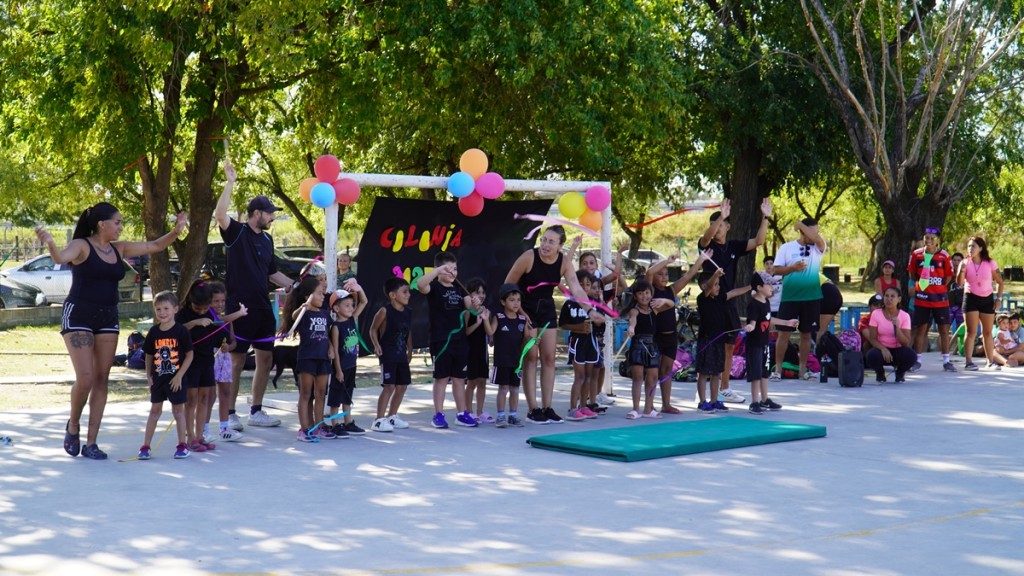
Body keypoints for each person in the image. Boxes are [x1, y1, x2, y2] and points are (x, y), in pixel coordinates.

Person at [37, 201, 187, 460]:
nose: (120, 227)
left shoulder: (119, 248)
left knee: (102, 378)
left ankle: (91, 443)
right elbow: (61, 257)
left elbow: (154, 246)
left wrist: (176, 231)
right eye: (117, 222)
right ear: (101, 224)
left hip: (107, 316)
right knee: (85, 378)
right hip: (79, 315)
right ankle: (73, 425)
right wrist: (50, 242)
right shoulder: (82, 245)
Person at [214, 158, 295, 429]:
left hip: (263, 307)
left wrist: (293, 285)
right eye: (270, 212)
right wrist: (229, 182)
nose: (273, 217)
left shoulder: (268, 239)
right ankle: (231, 413)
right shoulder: (236, 232)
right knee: (237, 361)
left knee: (266, 358)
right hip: (240, 307)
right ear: (256, 213)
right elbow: (219, 215)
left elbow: (272, 272)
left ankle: (256, 411)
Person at [505, 225, 594, 424]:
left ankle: (547, 407)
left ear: (560, 246)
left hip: (546, 308)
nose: (545, 245)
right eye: (544, 240)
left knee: (549, 359)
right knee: (531, 357)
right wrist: (520, 311)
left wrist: (590, 310)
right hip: (525, 307)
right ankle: (533, 409)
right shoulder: (529, 256)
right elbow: (508, 285)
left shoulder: (563, 262)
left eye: (551, 242)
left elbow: (576, 288)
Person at [698, 197, 772, 403]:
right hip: (711, 302)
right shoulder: (707, 246)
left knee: (729, 345)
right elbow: (705, 239)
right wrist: (721, 215)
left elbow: (758, 241)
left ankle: (724, 387)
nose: (718, 229)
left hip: (729, 301)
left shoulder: (733, 247)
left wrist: (765, 217)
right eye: (715, 225)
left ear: (728, 227)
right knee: (712, 345)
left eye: (722, 225)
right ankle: (705, 389)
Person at [176, 280, 247, 453]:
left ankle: (200, 436)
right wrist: (196, 322)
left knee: (205, 399)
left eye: (205, 307)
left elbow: (220, 329)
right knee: (191, 400)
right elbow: (177, 330)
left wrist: (225, 345)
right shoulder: (183, 314)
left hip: (207, 361)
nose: (202, 311)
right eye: (198, 308)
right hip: (190, 363)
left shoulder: (209, 312)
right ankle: (190, 437)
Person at [644, 250, 710, 414]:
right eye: (661, 274)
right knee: (652, 372)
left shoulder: (670, 291)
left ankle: (666, 404)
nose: (664, 277)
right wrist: (667, 261)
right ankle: (649, 404)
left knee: (667, 371)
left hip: (670, 337)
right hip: (655, 337)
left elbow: (687, 277)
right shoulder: (650, 290)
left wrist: (700, 260)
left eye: (666, 274)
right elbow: (650, 272)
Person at [416, 252, 476, 428]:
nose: (452, 273)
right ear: (438, 270)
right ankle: (438, 414)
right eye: (447, 269)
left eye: (455, 269)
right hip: (441, 340)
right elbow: (420, 284)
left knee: (459, 378)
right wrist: (438, 271)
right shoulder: (433, 287)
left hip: (460, 341)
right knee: (441, 378)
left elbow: (471, 308)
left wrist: (477, 304)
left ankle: (461, 413)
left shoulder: (459, 289)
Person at [137, 291, 194, 460]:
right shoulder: (154, 332)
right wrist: (149, 376)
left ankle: (182, 445)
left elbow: (190, 355)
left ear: (175, 309)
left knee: (178, 411)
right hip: (159, 380)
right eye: (158, 309)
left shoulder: (181, 331)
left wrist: (179, 376)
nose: (162, 312)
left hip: (176, 380)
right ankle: (145, 446)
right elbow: (148, 355)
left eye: (166, 308)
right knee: (155, 411)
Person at [771, 218, 827, 382]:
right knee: (783, 334)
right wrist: (793, 268)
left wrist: (801, 225)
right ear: (803, 233)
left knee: (806, 334)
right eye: (812, 231)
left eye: (817, 231)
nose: (816, 235)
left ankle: (803, 370)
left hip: (812, 297)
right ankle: (778, 369)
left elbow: (818, 239)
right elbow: (776, 270)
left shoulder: (818, 247)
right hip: (790, 298)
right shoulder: (787, 248)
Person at [282, 276, 336, 441]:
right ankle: (304, 429)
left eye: (322, 294)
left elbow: (326, 335)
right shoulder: (303, 314)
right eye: (319, 294)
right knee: (306, 393)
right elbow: (293, 316)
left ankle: (318, 426)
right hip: (307, 358)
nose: (322, 297)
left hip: (323, 359)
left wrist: (332, 348)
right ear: (308, 297)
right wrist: (303, 308)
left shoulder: (325, 314)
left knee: (321, 394)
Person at [694, 270, 749, 414]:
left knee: (717, 373)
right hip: (706, 341)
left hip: (719, 341)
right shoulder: (702, 298)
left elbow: (733, 293)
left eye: (718, 284)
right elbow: (708, 287)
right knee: (704, 373)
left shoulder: (719, 298)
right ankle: (702, 402)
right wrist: (716, 275)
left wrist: (751, 287)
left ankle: (714, 401)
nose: (717, 287)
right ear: (704, 286)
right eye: (715, 285)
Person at [744, 272, 798, 414]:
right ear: (759, 287)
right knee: (755, 373)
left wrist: (786, 322)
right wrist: (750, 327)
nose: (772, 287)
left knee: (764, 372)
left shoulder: (766, 302)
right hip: (754, 345)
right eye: (768, 284)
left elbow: (769, 320)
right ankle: (754, 402)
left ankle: (765, 399)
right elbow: (753, 322)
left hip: (764, 344)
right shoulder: (754, 304)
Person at [623, 279, 675, 420]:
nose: (644, 296)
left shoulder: (654, 309)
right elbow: (632, 320)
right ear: (635, 296)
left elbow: (671, 305)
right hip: (638, 345)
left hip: (652, 346)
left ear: (651, 294)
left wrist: (663, 299)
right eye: (640, 293)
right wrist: (631, 328)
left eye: (647, 293)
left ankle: (648, 408)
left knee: (652, 377)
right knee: (638, 378)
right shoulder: (635, 310)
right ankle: (635, 409)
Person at [907, 227, 955, 372]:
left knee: (944, 330)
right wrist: (923, 286)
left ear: (938, 241)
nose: (928, 241)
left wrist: (937, 287)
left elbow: (948, 276)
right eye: (926, 238)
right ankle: (917, 360)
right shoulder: (916, 255)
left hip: (940, 299)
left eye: (932, 238)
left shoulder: (944, 255)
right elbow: (912, 274)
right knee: (921, 329)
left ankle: (946, 360)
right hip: (922, 299)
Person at [369, 277, 413, 432]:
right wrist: (376, 345)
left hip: (401, 354)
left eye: (408, 292)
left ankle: (392, 416)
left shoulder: (408, 312)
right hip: (388, 353)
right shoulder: (384, 311)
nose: (408, 295)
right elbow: (373, 329)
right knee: (389, 386)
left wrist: (410, 348)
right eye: (405, 292)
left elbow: (408, 331)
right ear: (393, 295)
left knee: (402, 386)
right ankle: (379, 420)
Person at [560, 271, 604, 421]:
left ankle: (584, 406)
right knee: (579, 376)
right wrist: (578, 327)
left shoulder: (594, 303)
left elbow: (600, 322)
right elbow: (563, 324)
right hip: (577, 342)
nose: (585, 287)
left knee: (588, 375)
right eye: (581, 284)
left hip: (591, 342)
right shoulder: (569, 303)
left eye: (588, 284)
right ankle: (573, 408)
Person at [327, 280, 368, 437]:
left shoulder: (351, 319)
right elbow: (336, 351)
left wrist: (359, 288)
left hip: (351, 365)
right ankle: (335, 424)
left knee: (347, 396)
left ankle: (348, 422)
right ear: (336, 309)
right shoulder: (336, 327)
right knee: (336, 396)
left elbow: (364, 301)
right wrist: (338, 370)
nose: (351, 308)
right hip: (341, 367)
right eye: (347, 305)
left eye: (352, 305)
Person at [956, 236, 1004, 370]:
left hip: (987, 299)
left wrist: (998, 299)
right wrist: (961, 270)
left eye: (973, 246)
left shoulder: (990, 263)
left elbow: (1000, 282)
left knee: (987, 332)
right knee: (971, 332)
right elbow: (959, 283)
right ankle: (968, 362)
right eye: (969, 246)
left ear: (981, 248)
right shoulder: (964, 262)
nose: (970, 249)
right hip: (970, 298)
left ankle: (990, 362)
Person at [491, 284, 531, 428]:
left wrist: (533, 340)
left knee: (515, 389)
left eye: (518, 300)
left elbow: (526, 338)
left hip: (517, 361)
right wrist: (484, 319)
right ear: (503, 302)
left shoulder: (522, 320)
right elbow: (490, 332)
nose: (516, 303)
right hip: (502, 360)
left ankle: (513, 415)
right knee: (503, 388)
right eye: (512, 300)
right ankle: (501, 416)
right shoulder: (499, 317)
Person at [209, 281, 245, 442]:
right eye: (216, 301)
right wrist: (239, 314)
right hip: (209, 359)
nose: (220, 304)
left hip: (224, 359)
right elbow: (220, 320)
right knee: (208, 396)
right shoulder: (208, 317)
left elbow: (234, 342)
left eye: (222, 301)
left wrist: (229, 347)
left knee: (225, 393)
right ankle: (203, 429)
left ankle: (224, 428)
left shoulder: (227, 322)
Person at [865, 287, 917, 383]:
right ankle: (880, 374)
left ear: (899, 299)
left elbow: (906, 342)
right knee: (871, 355)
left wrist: (897, 328)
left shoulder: (904, 316)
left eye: (892, 296)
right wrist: (883, 348)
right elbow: (873, 339)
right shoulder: (876, 314)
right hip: (882, 350)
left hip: (898, 350)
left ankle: (900, 373)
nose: (889, 299)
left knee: (911, 356)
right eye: (886, 296)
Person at [463, 278, 493, 423]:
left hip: (483, 351)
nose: (481, 295)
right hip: (470, 350)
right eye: (477, 292)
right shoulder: (468, 312)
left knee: (482, 381)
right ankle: (468, 411)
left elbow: (490, 332)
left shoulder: (487, 311)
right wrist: (478, 323)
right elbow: (466, 332)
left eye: (483, 292)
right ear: (470, 295)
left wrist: (491, 336)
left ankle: (480, 411)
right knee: (471, 382)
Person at [816, 276, 844, 349]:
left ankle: (818, 355)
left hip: (827, 294)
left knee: (820, 330)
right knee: (818, 330)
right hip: (831, 292)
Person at [948, 252, 965, 330]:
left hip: (961, 306)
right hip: (949, 305)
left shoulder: (966, 274)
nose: (956, 262)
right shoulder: (947, 273)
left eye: (959, 260)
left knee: (960, 330)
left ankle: (957, 342)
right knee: (944, 330)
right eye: (954, 260)